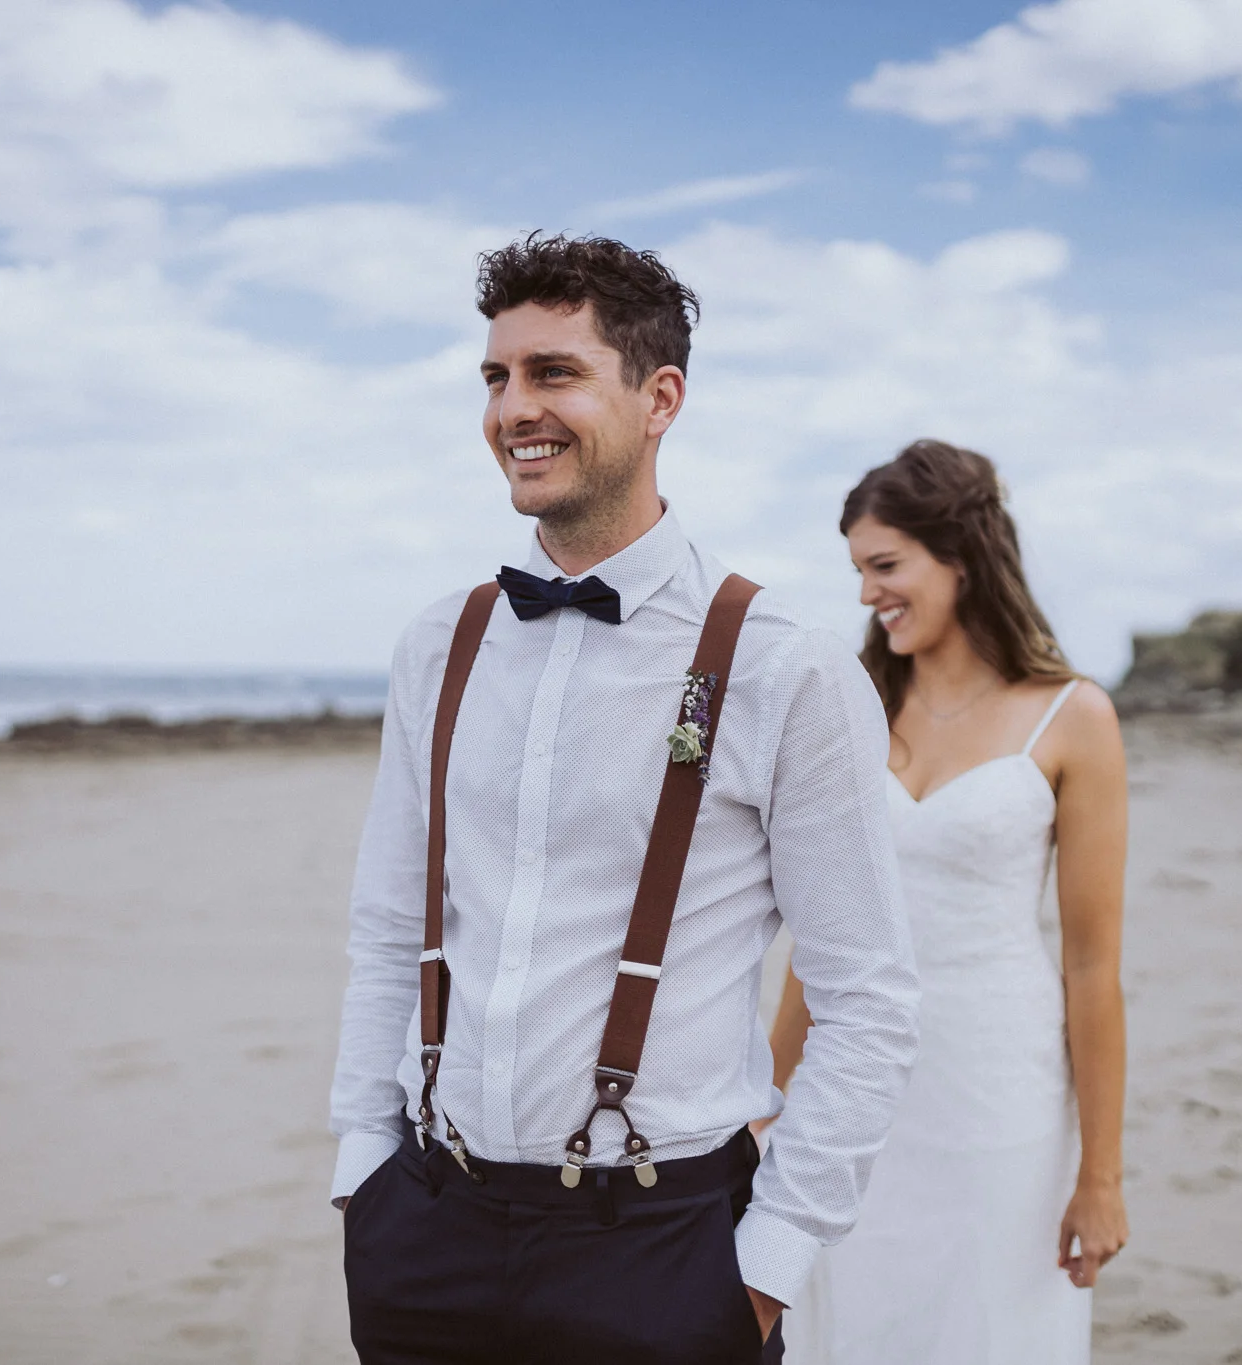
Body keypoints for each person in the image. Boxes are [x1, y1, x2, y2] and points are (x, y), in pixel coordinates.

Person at [327, 234, 921, 1365]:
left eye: (553, 372)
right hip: (424, 1230)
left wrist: (767, 1267)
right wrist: (361, 1170)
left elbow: (866, 998)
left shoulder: (784, 668)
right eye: (495, 377)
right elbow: (388, 928)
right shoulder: (439, 647)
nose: (513, 409)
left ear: (660, 399)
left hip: (659, 1250)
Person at [771, 440, 1130, 1364]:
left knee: (986, 1324)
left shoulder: (1074, 716)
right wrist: (768, 1095)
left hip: (996, 1090)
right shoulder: (855, 708)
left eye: (885, 566)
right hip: (850, 1086)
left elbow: (1093, 966)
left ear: (962, 557)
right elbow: (820, 933)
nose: (864, 594)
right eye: (856, 570)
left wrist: (1100, 1174)